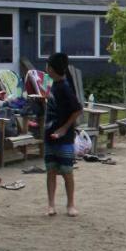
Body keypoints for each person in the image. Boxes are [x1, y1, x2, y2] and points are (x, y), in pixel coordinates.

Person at [43, 53, 82, 218]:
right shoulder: (55, 84)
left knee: (67, 172)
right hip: (50, 136)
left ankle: (70, 204)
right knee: (51, 170)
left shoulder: (65, 87)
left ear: (51, 68)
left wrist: (65, 129)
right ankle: (51, 204)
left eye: (47, 66)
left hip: (64, 138)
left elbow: (78, 109)